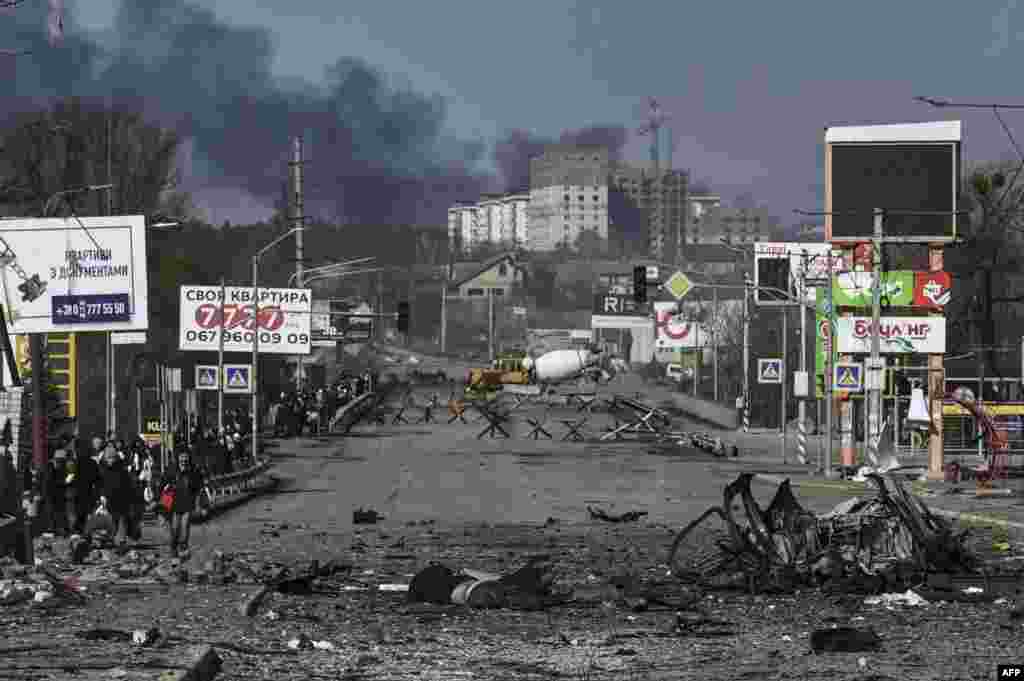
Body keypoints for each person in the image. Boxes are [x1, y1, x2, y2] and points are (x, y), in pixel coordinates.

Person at [160, 448, 205, 557]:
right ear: (178, 458)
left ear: (189, 458)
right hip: (174, 505)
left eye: (186, 457)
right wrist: (163, 509)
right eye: (181, 457)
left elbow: (199, 489)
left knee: (184, 528)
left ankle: (183, 549)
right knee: (175, 529)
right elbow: (163, 489)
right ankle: (173, 548)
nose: (184, 459)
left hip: (188, 505)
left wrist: (199, 505)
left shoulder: (194, 471)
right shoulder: (171, 471)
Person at [97, 441, 135, 547]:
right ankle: (112, 538)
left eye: (112, 458)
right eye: (109, 458)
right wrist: (101, 495)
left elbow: (127, 485)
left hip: (121, 500)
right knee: (111, 520)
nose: (111, 460)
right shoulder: (102, 469)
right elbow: (100, 484)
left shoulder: (121, 470)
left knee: (121, 519)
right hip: (108, 500)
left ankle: (121, 539)